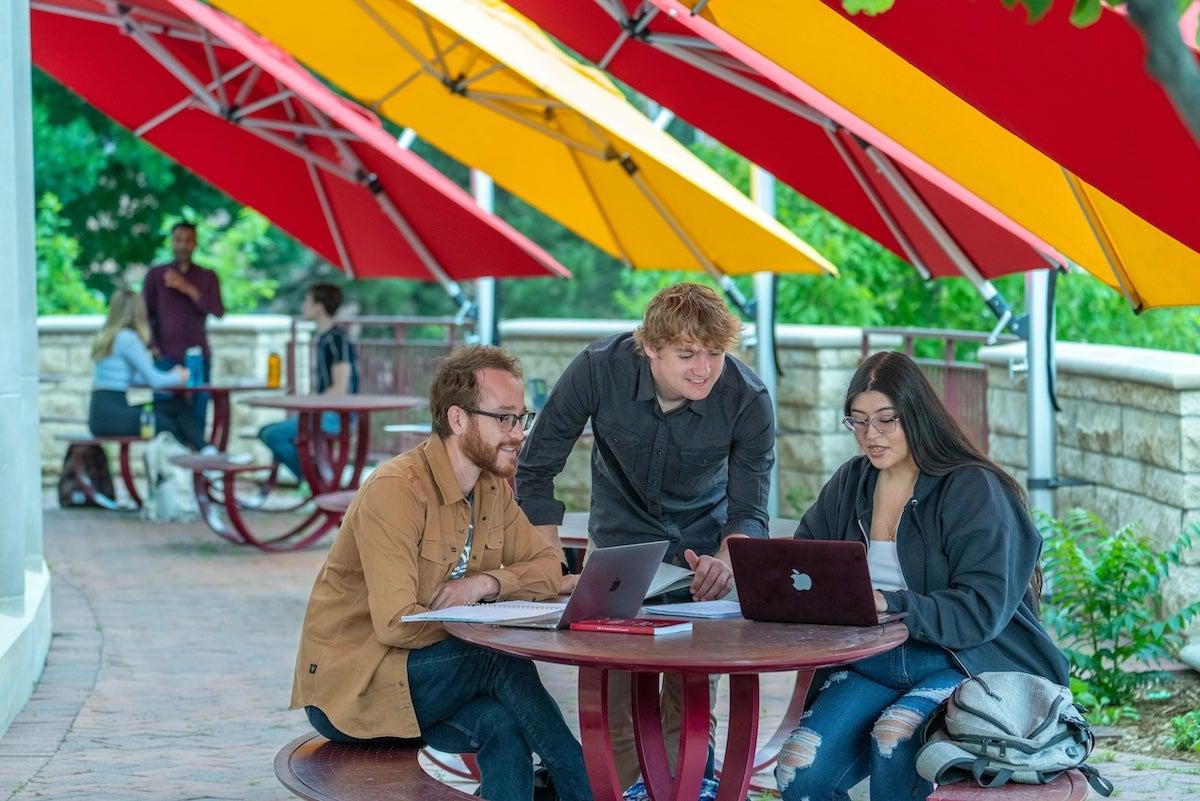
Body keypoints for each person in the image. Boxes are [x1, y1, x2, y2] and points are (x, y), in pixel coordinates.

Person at [291, 345, 592, 801]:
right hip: (353, 687)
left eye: (521, 419)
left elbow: (549, 564)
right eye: (504, 418)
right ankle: (587, 789)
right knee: (495, 657)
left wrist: (486, 584)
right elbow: (396, 624)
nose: (517, 434)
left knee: (503, 724)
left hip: (421, 683)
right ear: (458, 419)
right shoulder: (397, 490)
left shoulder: (491, 488)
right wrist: (481, 621)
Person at [774, 351, 1069, 801]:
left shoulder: (972, 488)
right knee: (799, 774)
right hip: (872, 658)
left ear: (918, 415)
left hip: (968, 659)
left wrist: (890, 603)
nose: (871, 435)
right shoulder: (851, 483)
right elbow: (805, 565)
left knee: (894, 738)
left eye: (886, 420)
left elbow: (980, 610)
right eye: (857, 421)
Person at [516, 282, 775, 787]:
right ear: (650, 346)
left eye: (715, 353)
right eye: (686, 354)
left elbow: (748, 510)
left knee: (692, 698)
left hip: (703, 555)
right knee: (616, 700)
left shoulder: (748, 399)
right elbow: (536, 467)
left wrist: (728, 558)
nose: (703, 368)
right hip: (618, 545)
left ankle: (686, 791)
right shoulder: (597, 368)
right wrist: (547, 559)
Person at [258, 284, 358, 483]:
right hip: (324, 412)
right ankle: (318, 479)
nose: (303, 306)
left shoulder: (337, 339)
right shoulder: (323, 338)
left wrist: (311, 401)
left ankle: (315, 481)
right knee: (266, 432)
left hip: (338, 416)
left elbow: (340, 389)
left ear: (319, 307)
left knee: (272, 434)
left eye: (307, 301)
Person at [88, 289, 204, 450]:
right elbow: (154, 381)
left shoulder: (108, 336)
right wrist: (180, 376)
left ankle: (204, 451)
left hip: (101, 413)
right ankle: (193, 462)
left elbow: (137, 379)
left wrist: (169, 375)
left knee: (176, 406)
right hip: (114, 415)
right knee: (166, 424)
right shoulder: (128, 339)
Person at [142, 220, 224, 442]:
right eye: (178, 240)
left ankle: (197, 465)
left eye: (188, 241)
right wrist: (155, 348)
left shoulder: (207, 276)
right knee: (165, 416)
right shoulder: (156, 275)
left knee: (198, 414)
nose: (182, 245)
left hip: (198, 358)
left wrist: (185, 287)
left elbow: (217, 310)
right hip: (166, 357)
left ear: (195, 243)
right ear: (172, 242)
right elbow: (144, 314)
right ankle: (169, 468)